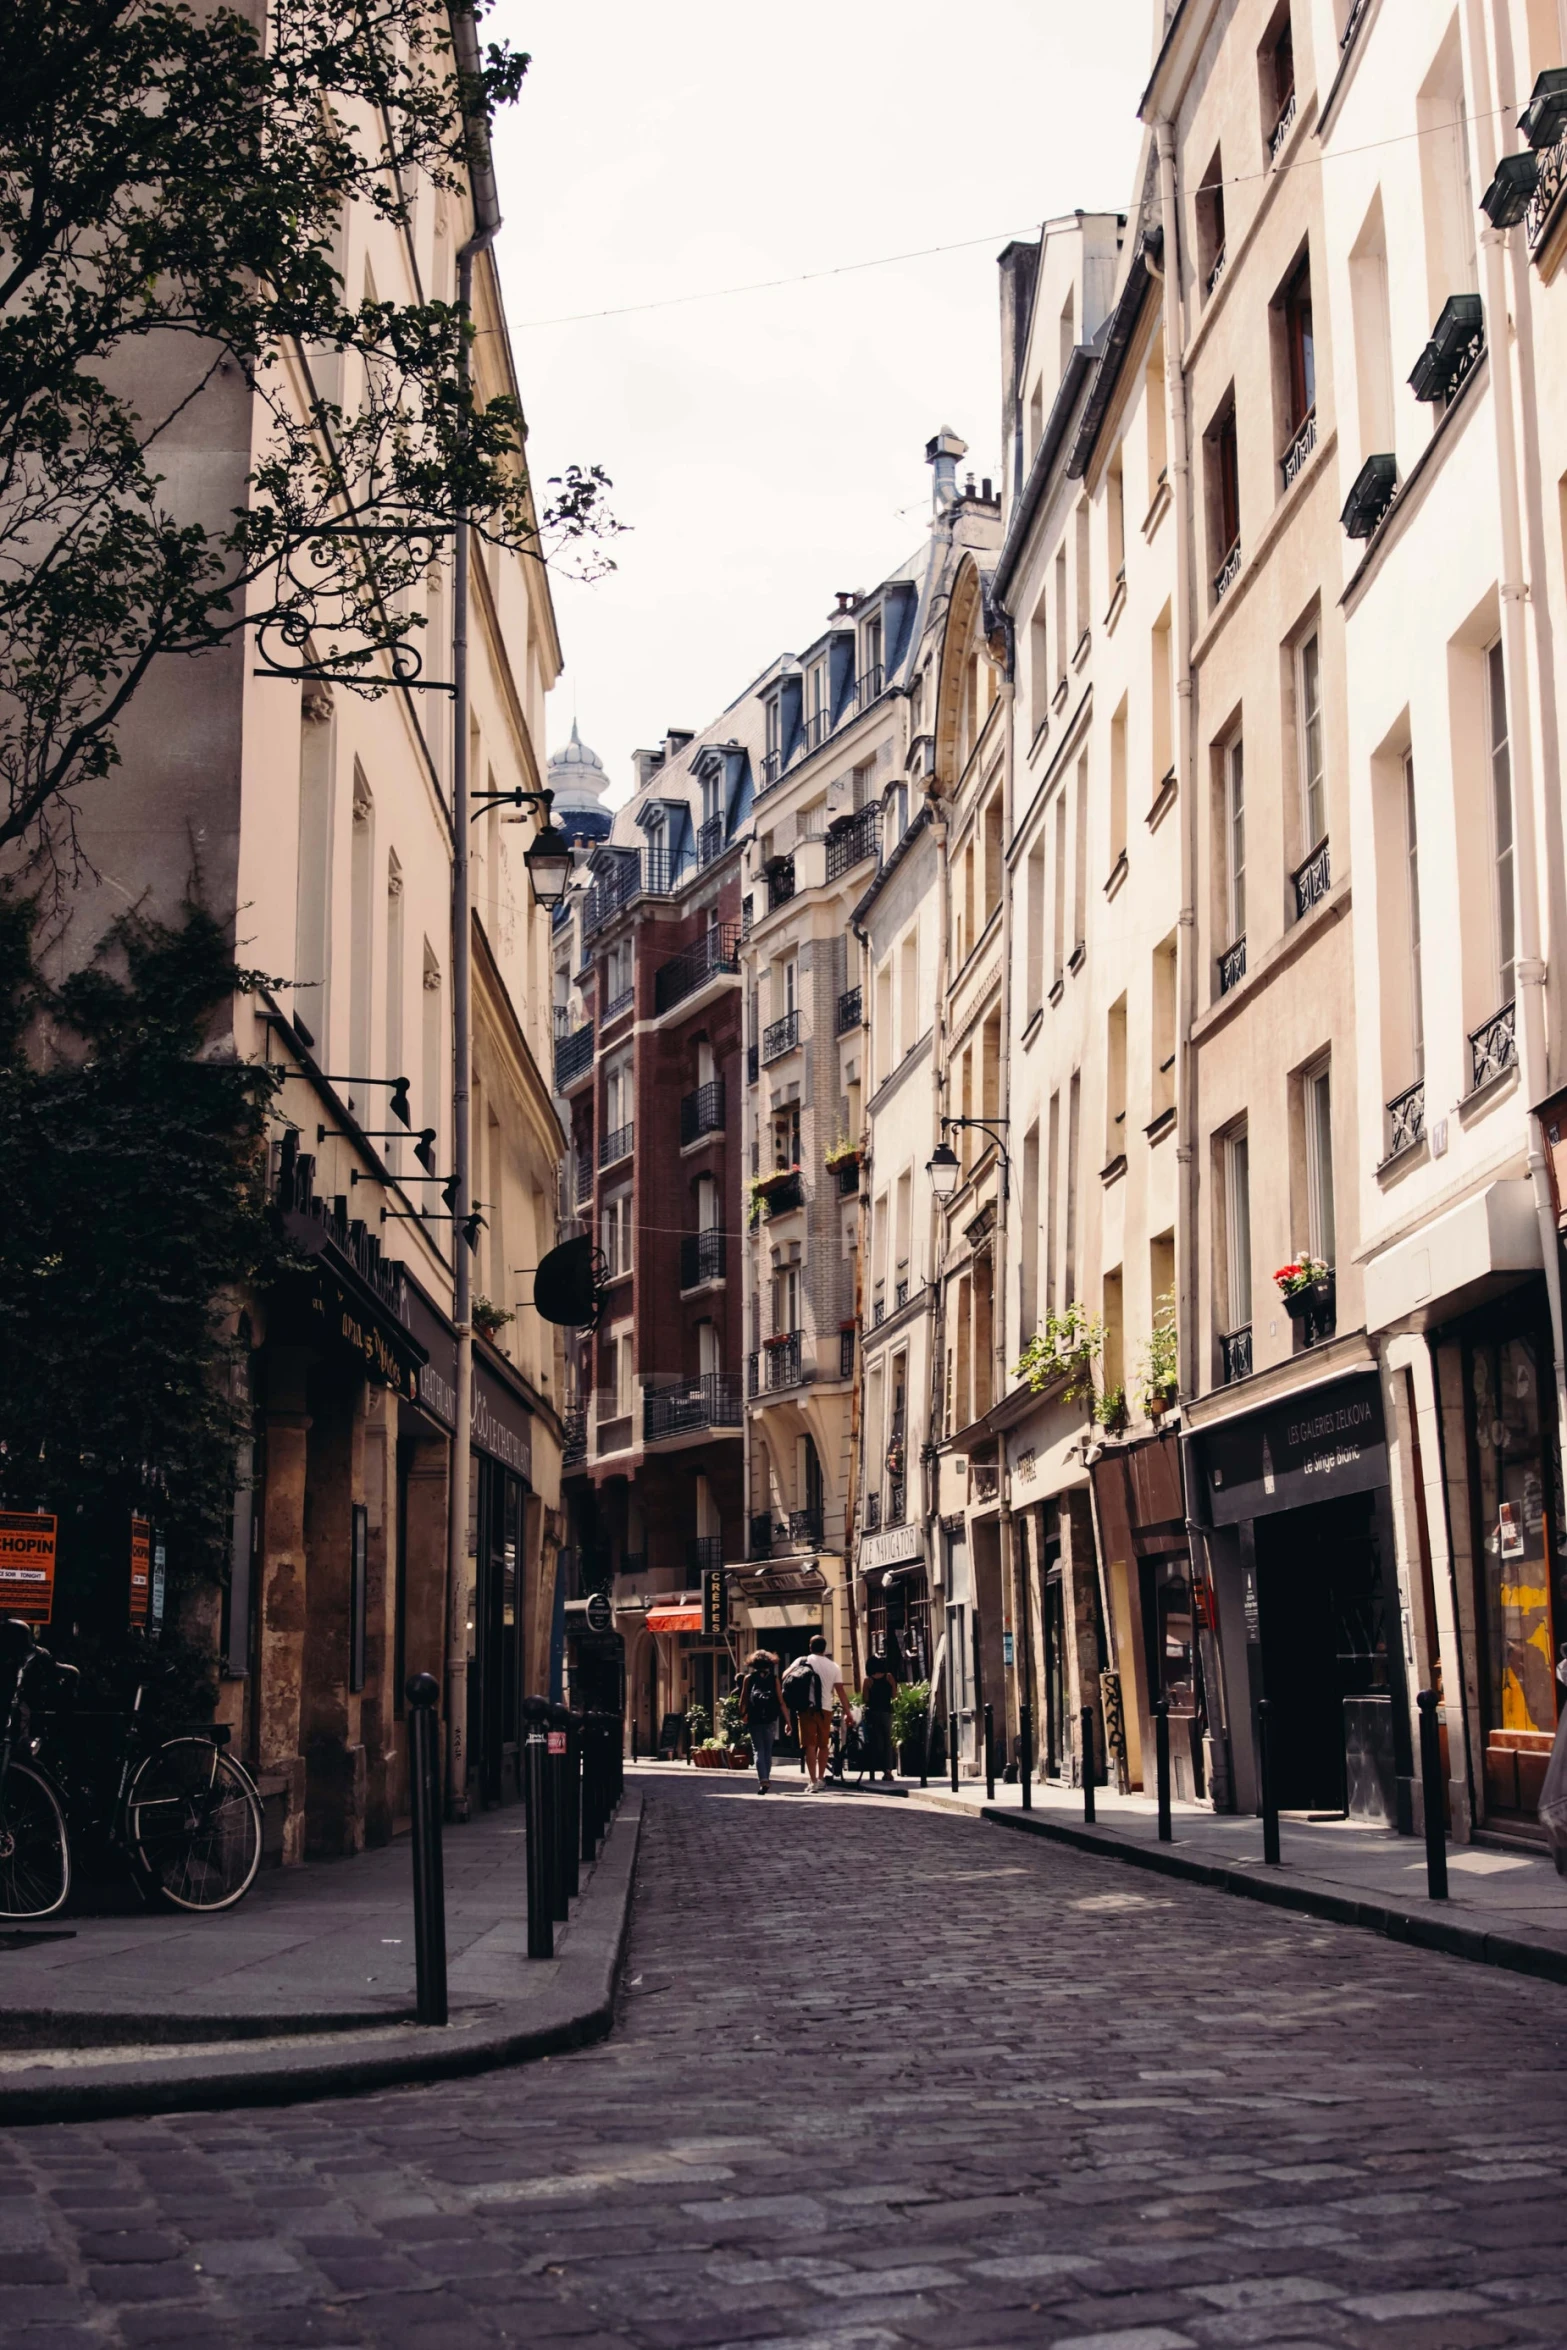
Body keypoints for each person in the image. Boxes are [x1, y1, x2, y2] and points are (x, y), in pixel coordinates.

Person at [784, 1633, 852, 1790]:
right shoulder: (833, 1666)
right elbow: (840, 1691)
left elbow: (785, 1677)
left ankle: (813, 1780)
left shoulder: (802, 1661)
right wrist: (848, 1712)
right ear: (824, 1648)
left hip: (806, 1708)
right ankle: (821, 1778)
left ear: (810, 1646)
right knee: (823, 1745)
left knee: (809, 1745)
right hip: (826, 1709)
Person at [737, 1649, 789, 1792]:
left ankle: (763, 1780)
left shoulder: (749, 1678)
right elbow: (781, 1701)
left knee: (758, 1750)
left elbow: (743, 1700)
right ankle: (767, 1777)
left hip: (754, 1718)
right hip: (771, 1718)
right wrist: (788, 1722)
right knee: (767, 1750)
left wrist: (743, 1715)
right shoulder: (774, 1678)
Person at [862, 1636, 900, 1782]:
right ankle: (889, 1770)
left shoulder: (868, 1680)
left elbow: (865, 1699)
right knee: (888, 1741)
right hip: (887, 1711)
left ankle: (876, 1769)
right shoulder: (889, 1677)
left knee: (877, 1741)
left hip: (873, 1712)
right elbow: (894, 1695)